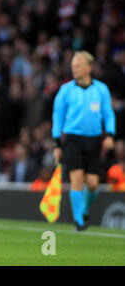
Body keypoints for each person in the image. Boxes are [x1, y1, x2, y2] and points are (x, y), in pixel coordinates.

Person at [52, 51, 116, 231]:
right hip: (72, 139)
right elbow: (58, 117)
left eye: (78, 65)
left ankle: (84, 209)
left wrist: (110, 134)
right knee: (77, 179)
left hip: (94, 139)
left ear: (89, 67)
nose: (74, 69)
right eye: (73, 66)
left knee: (94, 183)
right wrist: (57, 143)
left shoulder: (101, 89)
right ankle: (79, 221)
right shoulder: (66, 90)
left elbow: (108, 114)